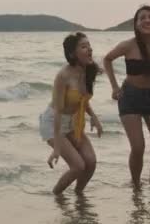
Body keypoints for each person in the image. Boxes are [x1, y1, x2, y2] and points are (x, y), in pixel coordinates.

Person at [103, 5, 150, 187]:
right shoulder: (128, 45)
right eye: (142, 18)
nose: (147, 20)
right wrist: (114, 87)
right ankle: (136, 186)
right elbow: (107, 59)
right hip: (130, 97)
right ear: (136, 24)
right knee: (138, 147)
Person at [39, 32, 103, 194]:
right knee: (78, 166)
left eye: (89, 46)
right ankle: (56, 196)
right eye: (83, 46)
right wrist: (57, 148)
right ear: (72, 54)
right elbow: (59, 111)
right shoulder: (63, 76)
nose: (89, 49)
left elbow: (82, 99)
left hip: (74, 121)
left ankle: (79, 196)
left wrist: (94, 117)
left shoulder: (89, 70)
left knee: (91, 162)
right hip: (54, 121)